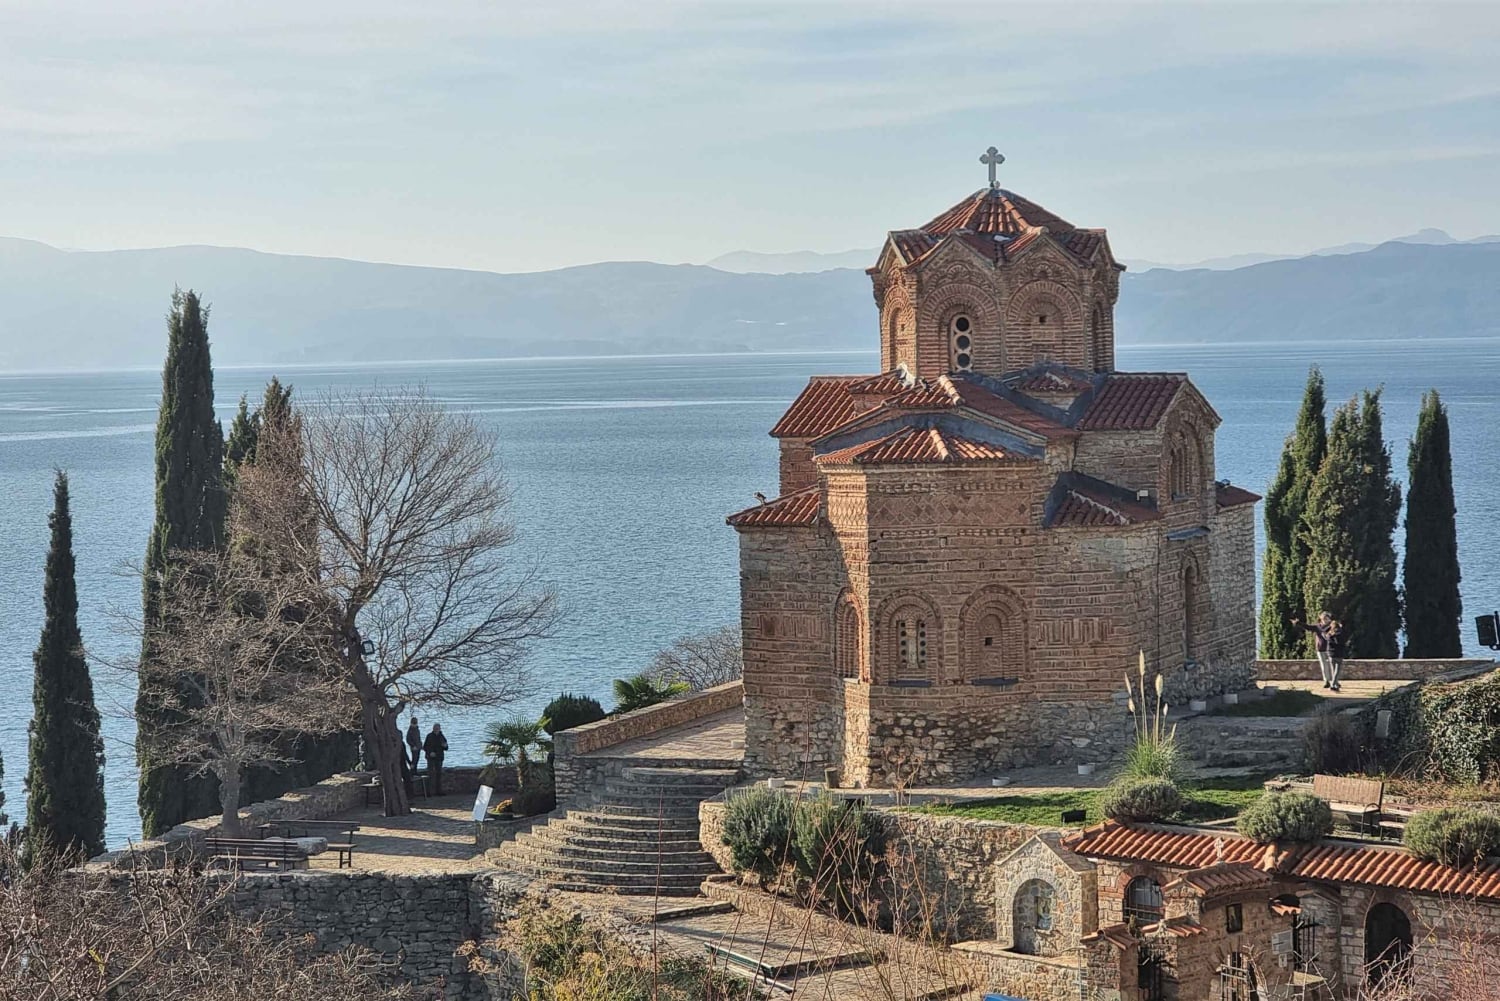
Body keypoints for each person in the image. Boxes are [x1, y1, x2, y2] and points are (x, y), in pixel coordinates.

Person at [1292, 612, 1336, 689]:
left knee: (1332, 665)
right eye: (1324, 619)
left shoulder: (1332, 627)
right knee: (1324, 666)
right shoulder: (1317, 627)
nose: (1325, 620)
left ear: (1329, 619)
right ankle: (1327, 681)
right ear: (1321, 619)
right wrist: (1298, 623)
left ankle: (1335, 681)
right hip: (1320, 649)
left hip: (1330, 648)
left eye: (1327, 618)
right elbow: (1308, 627)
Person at [423, 723, 449, 796]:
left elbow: (446, 748)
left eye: (437, 728)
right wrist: (430, 752)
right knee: (431, 774)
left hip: (439, 758)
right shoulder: (429, 736)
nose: (436, 729)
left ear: (440, 729)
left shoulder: (442, 736)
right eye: (435, 728)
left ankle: (439, 791)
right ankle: (429, 792)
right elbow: (425, 747)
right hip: (431, 758)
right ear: (433, 728)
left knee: (439, 774)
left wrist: (445, 746)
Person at [1327, 620, 1350, 692]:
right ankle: (1333, 684)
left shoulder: (1329, 634)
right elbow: (1341, 642)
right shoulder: (1340, 633)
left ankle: (1336, 683)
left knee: (1333, 670)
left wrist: (1329, 626)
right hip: (1339, 654)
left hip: (1331, 654)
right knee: (1337, 670)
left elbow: (1323, 631)